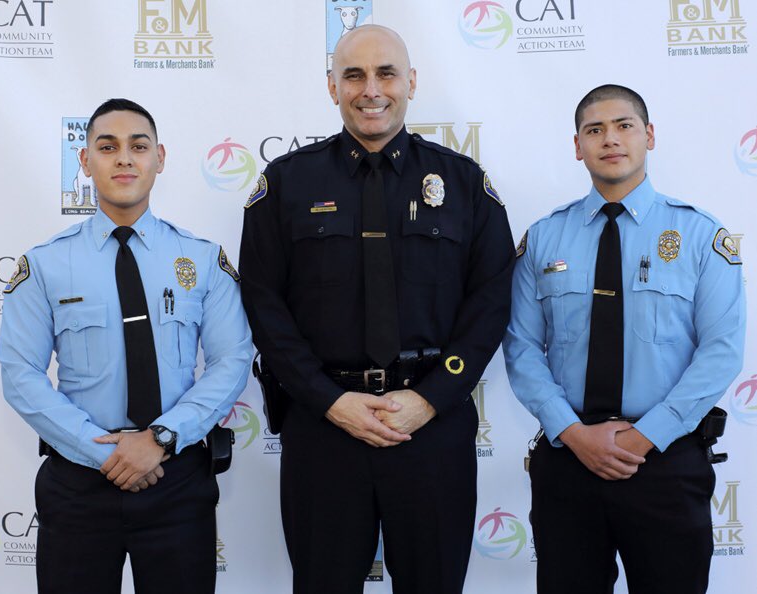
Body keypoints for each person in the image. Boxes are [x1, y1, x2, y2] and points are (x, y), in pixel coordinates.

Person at [239, 24, 514, 594]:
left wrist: (429, 398)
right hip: (325, 430)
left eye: (386, 73)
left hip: (432, 429)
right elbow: (264, 308)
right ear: (332, 86)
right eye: (354, 75)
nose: (371, 89)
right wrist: (329, 401)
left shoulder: (463, 183)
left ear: (411, 82)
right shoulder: (286, 184)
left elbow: (489, 304)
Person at [0, 98, 253, 594]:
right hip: (78, 486)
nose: (124, 159)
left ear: (160, 157)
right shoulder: (45, 265)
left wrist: (158, 440)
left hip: (176, 480)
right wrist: (105, 455)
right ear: (85, 160)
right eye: (107, 146)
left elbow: (232, 359)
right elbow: (20, 373)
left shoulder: (199, 259)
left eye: (138, 146)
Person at [503, 84, 746, 594]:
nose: (610, 139)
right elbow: (522, 347)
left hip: (665, 462)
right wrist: (572, 433)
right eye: (595, 130)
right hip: (569, 461)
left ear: (649, 136)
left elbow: (720, 352)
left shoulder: (700, 235)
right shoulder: (544, 237)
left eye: (624, 126)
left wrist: (644, 436)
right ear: (577, 146)